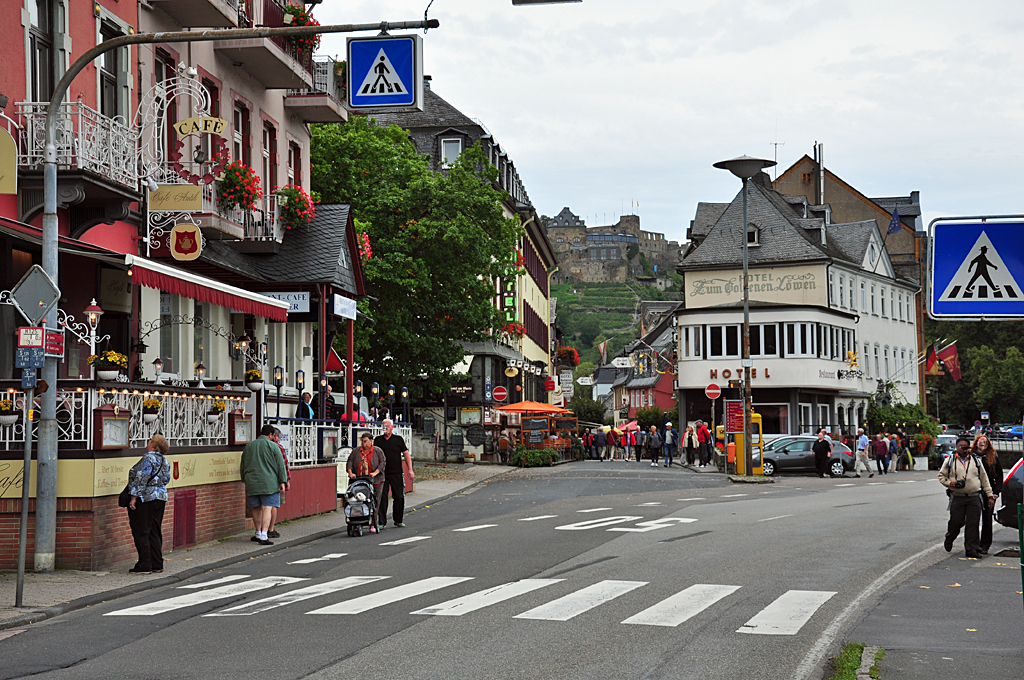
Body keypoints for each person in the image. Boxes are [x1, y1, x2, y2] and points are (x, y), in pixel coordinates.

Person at [938, 435, 995, 558]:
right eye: (960, 446)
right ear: (956, 447)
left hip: (974, 496)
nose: (963, 449)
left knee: (973, 523)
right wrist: (950, 483)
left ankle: (971, 549)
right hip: (957, 496)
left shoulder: (976, 461)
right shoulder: (950, 460)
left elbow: (984, 480)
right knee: (956, 522)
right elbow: (941, 476)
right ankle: (950, 537)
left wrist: (990, 495)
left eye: (965, 446)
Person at [126, 435, 171, 574]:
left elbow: (141, 479)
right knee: (154, 530)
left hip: (146, 498)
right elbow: (167, 478)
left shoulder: (148, 459)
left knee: (141, 531)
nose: (148, 441)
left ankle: (144, 564)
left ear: (153, 444)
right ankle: (157, 563)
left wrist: (134, 497)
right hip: (161, 497)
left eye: (150, 440)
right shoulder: (164, 460)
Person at [240, 424, 289, 545]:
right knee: (267, 507)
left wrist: (244, 478)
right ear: (271, 435)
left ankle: (257, 532)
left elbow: (243, 464)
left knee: (255, 508)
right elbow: (280, 465)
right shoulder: (274, 447)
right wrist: (283, 481)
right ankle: (264, 535)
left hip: (252, 482)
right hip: (269, 483)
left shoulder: (249, 447)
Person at [374, 418, 414, 528]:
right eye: (383, 426)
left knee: (399, 496)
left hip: (396, 472)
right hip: (382, 473)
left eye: (387, 426)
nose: (385, 428)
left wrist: (410, 469)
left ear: (392, 427)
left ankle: (398, 520)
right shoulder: (378, 440)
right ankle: (382, 522)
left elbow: (406, 454)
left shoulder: (398, 439)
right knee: (382, 497)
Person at [347, 432, 386, 533]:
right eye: (362, 441)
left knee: (375, 502)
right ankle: (356, 520)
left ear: (371, 441)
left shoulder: (377, 451)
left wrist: (375, 473)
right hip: (359, 480)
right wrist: (351, 473)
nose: (363, 444)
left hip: (376, 480)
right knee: (357, 500)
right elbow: (350, 461)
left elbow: (382, 463)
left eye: (365, 441)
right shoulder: (356, 451)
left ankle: (373, 522)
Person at [975, 434, 1003, 555]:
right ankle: (973, 544)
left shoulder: (993, 458)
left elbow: (1000, 475)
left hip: (989, 492)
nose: (982, 444)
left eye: (985, 442)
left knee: (987, 519)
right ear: (976, 443)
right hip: (974, 491)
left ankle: (985, 545)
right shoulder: (971, 457)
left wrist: (996, 492)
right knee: (973, 519)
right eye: (980, 441)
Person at [265, 428, 291, 539]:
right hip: (275, 480)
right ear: (274, 436)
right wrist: (286, 480)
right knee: (274, 504)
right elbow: (284, 465)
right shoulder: (278, 448)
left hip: (261, 480)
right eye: (279, 437)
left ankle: (261, 529)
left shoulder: (259, 446)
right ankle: (270, 529)